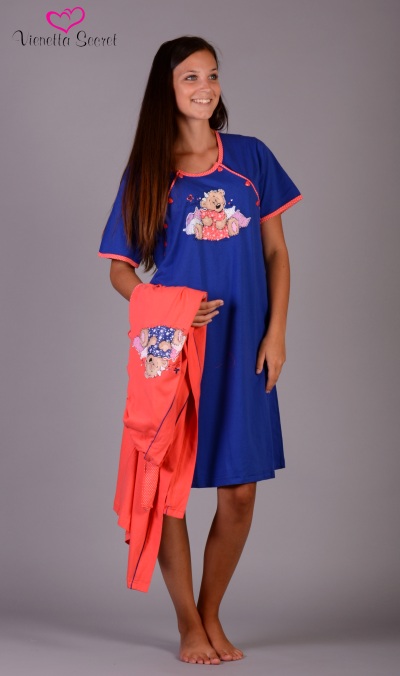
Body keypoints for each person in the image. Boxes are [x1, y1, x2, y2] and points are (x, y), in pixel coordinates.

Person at [99, 36, 302, 665]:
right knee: (169, 489)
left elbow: (276, 251)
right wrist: (170, 309)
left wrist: (276, 332)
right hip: (173, 350)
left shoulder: (250, 157)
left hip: (243, 345)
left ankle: (212, 612)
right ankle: (188, 623)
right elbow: (120, 270)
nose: (205, 87)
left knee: (239, 491)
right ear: (166, 88)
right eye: (190, 77)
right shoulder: (149, 172)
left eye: (211, 75)